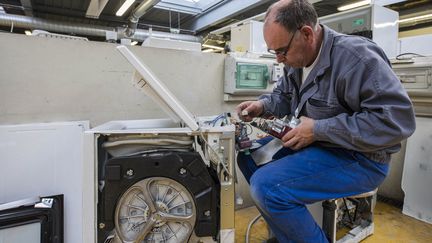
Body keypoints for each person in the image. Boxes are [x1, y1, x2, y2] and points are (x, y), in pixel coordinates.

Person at [235, 0, 416, 242]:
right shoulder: (296, 61)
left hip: (361, 158)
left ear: (306, 33)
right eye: (274, 52)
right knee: (248, 158)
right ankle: (288, 235)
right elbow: (284, 96)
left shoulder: (357, 58)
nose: (279, 59)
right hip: (320, 146)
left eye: (281, 51)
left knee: (267, 188)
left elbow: (395, 122)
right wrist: (262, 106)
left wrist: (318, 130)